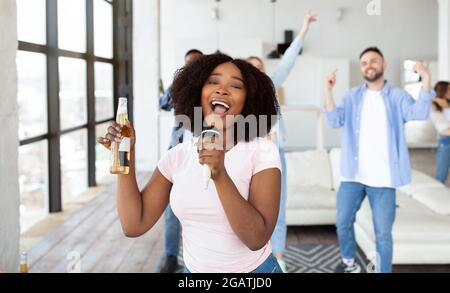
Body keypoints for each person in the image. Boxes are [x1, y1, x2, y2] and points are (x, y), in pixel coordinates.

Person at [98, 53, 283, 273]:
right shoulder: (177, 156)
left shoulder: (262, 151)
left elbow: (256, 238)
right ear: (197, 92)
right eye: (213, 82)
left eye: (235, 86)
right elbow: (133, 224)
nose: (222, 89)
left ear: (248, 101)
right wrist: (125, 157)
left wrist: (220, 175)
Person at [324, 47, 434, 273]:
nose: (368, 65)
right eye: (364, 62)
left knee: (383, 233)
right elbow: (334, 121)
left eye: (373, 61)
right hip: (353, 175)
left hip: (384, 179)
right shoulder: (352, 95)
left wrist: (426, 78)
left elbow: (420, 113)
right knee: (343, 222)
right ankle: (348, 263)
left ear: (383, 65)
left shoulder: (397, 96)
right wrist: (328, 91)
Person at [246, 10, 317, 272]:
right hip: (249, 158)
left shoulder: (270, 86)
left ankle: (279, 257)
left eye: (259, 66)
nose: (256, 70)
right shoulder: (238, 98)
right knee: (247, 208)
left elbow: (287, 61)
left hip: (275, 155)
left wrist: (304, 28)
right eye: (250, 67)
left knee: (277, 209)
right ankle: (249, 257)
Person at [157, 49, 203, 273]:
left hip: (204, 156)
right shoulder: (179, 88)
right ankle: (170, 256)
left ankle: (201, 260)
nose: (191, 67)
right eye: (188, 64)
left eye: (195, 63)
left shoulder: (209, 89)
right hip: (178, 155)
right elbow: (163, 104)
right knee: (171, 209)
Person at [430, 81, 450, 183]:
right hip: (446, 142)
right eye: (448, 89)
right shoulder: (435, 110)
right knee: (441, 176)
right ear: (443, 92)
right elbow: (445, 131)